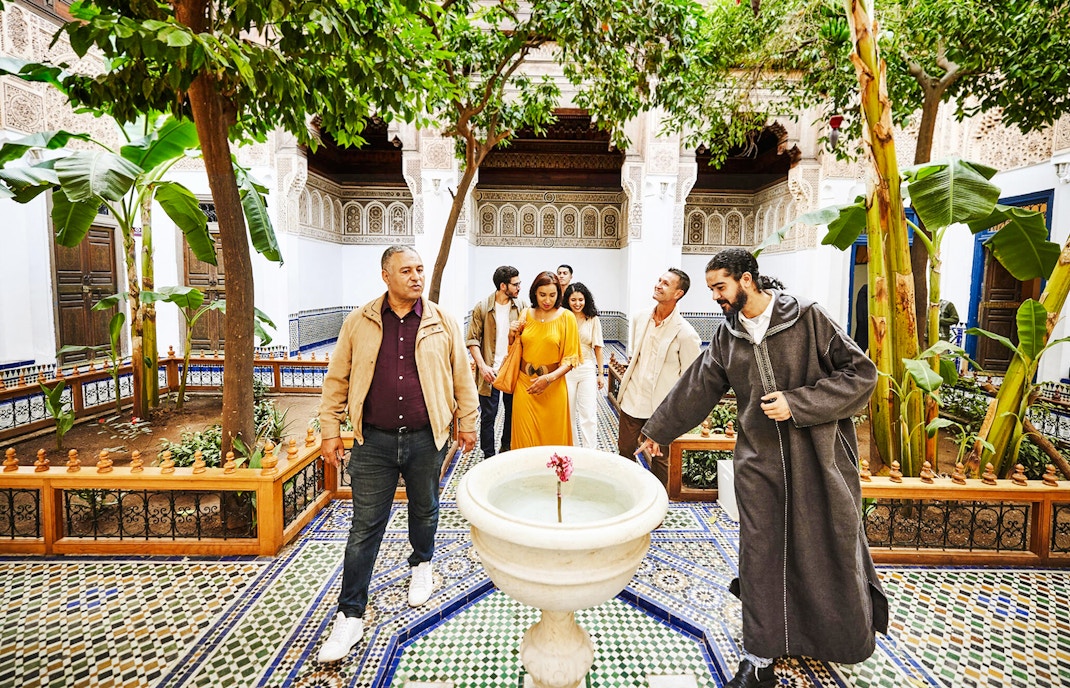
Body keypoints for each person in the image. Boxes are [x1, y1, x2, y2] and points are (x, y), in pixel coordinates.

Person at [637, 248, 888, 687]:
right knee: (761, 556)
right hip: (759, 463)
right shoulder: (727, 335)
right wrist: (658, 430)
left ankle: (833, 637)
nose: (715, 296)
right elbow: (697, 387)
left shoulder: (808, 318)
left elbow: (862, 375)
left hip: (820, 460)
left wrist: (798, 403)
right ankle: (760, 656)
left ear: (747, 280)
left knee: (827, 544)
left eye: (720, 287)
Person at [316, 246, 478, 663]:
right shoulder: (360, 320)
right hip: (373, 442)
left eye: (420, 269)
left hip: (427, 437)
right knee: (365, 526)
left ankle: (421, 564)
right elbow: (337, 379)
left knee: (425, 508)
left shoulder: (442, 322)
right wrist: (330, 431)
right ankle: (350, 615)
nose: (416, 277)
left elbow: (462, 375)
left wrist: (467, 422)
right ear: (385, 276)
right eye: (406, 270)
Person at [616, 268, 701, 487]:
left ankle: (657, 502)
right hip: (633, 398)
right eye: (659, 280)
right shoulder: (640, 318)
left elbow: (690, 378)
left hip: (661, 408)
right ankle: (630, 493)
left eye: (666, 284)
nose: (658, 285)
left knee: (660, 459)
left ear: (678, 294)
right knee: (625, 449)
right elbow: (634, 355)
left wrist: (677, 412)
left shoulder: (686, 333)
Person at [511, 271, 581, 448]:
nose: (547, 300)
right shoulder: (525, 313)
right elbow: (514, 349)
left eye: (552, 295)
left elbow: (571, 359)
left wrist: (548, 379)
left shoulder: (567, 317)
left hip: (553, 387)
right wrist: (511, 334)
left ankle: (553, 475)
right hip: (525, 385)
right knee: (524, 441)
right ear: (534, 292)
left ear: (559, 294)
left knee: (553, 441)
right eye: (542, 295)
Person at [466, 266, 526, 457]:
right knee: (488, 417)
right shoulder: (483, 307)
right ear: (503, 286)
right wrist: (482, 367)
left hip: (512, 369)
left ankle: (506, 448)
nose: (519, 287)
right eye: (515, 284)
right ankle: (488, 455)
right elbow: (472, 340)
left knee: (512, 414)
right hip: (489, 370)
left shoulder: (522, 307)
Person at [563, 282, 605, 448]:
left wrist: (600, 373)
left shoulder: (592, 319)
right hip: (566, 370)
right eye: (573, 300)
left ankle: (590, 451)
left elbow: (598, 348)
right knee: (569, 414)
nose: (577, 303)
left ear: (586, 299)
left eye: (581, 299)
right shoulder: (563, 317)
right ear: (568, 300)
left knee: (588, 413)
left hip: (586, 368)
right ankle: (572, 450)